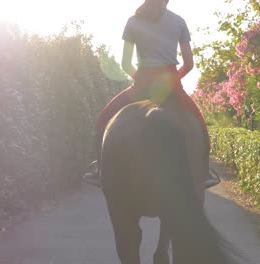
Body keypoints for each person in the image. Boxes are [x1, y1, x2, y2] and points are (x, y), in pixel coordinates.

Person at [83, 0, 219, 188]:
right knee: (200, 125)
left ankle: (99, 171)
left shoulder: (133, 21)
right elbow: (189, 64)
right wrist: (172, 81)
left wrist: (140, 79)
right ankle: (204, 173)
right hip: (170, 84)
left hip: (141, 84)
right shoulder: (178, 21)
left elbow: (125, 63)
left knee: (103, 119)